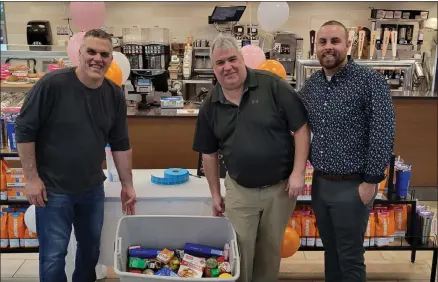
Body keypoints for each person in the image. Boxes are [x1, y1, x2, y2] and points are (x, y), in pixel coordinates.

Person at [15, 29, 136, 282]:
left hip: (92, 188)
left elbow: (120, 143)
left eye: (104, 54)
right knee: (53, 256)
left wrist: (128, 185)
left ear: (110, 59)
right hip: (53, 189)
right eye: (91, 51)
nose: (97, 58)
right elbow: (24, 130)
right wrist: (31, 179)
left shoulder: (114, 94)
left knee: (90, 252)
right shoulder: (52, 85)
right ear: (79, 54)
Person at [192, 34, 310, 282]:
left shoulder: (273, 86)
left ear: (242, 58)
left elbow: (301, 128)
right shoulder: (210, 105)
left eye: (232, 59)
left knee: (269, 253)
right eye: (220, 63)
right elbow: (209, 153)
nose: (227, 67)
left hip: (279, 189)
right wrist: (215, 193)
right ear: (213, 68)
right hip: (239, 191)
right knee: (239, 252)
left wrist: (298, 172)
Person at [298, 21, 395, 282]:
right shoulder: (312, 85)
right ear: (316, 46)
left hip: (353, 186)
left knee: (350, 256)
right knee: (330, 251)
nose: (328, 47)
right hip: (320, 184)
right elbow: (298, 126)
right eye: (323, 42)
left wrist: (371, 180)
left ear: (348, 45)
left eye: (335, 41)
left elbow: (383, 132)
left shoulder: (370, 82)